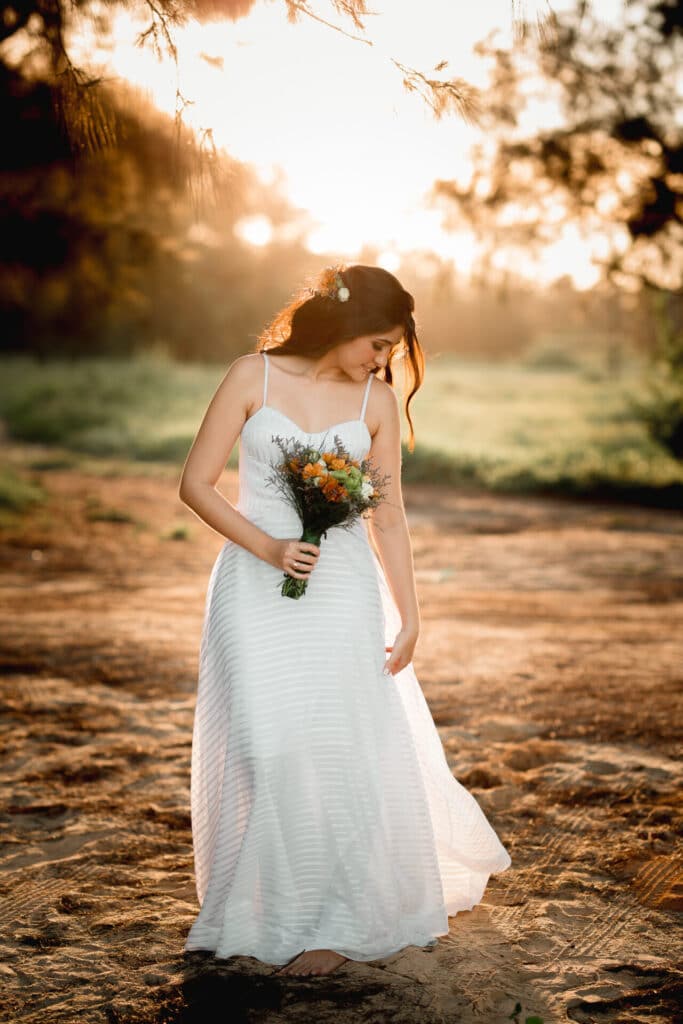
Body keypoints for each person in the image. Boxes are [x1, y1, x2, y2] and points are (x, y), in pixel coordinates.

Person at [178, 264, 511, 978]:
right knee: (264, 744)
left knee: (335, 746)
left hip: (344, 589)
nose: (384, 359)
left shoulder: (377, 401)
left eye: (393, 349)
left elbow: (386, 513)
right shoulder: (250, 376)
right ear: (344, 322)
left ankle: (332, 921)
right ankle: (266, 903)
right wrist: (267, 545)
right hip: (251, 578)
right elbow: (194, 484)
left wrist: (410, 615)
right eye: (380, 343)